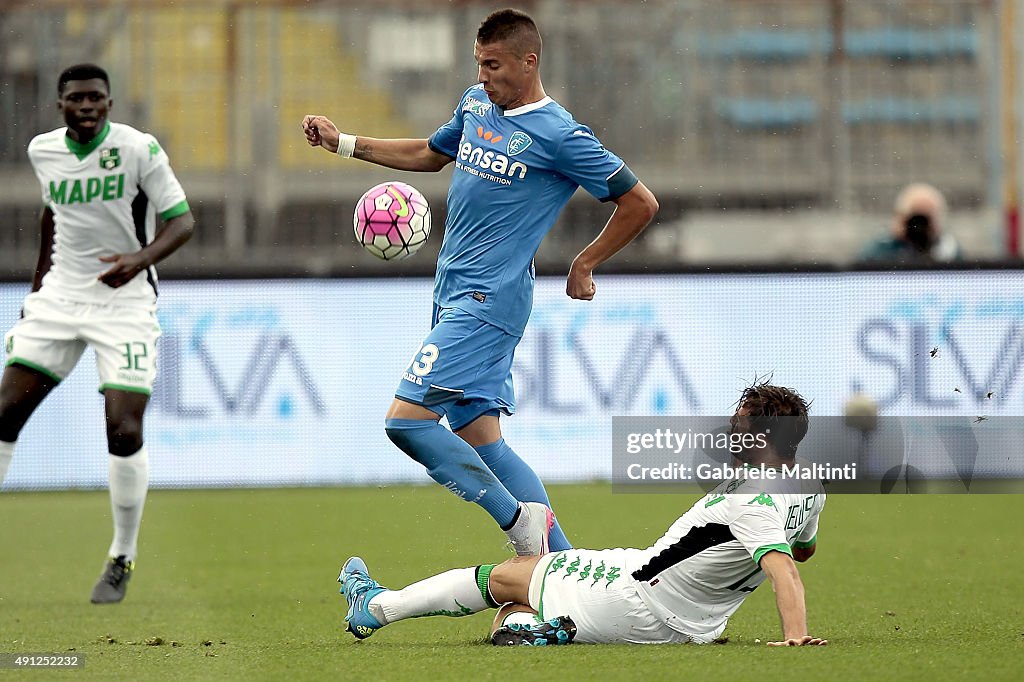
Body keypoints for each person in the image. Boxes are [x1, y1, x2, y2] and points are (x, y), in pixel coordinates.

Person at [302, 9, 658, 555]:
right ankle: (563, 573)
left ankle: (517, 523)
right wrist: (343, 143)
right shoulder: (475, 106)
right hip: (453, 295)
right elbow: (428, 152)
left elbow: (639, 202)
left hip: (489, 303)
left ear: (528, 61)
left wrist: (586, 262)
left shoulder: (560, 134)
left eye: (492, 65)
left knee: (407, 423)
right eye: (478, 63)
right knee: (483, 440)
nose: (483, 75)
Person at [337, 383, 829, 647]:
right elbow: (803, 550)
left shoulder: (751, 498)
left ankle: (377, 608)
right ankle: (535, 633)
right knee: (510, 618)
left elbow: (784, 567)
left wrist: (795, 637)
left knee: (506, 576)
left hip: (640, 597)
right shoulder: (808, 484)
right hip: (689, 617)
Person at [0, 64, 194, 603]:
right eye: (76, 99)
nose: (87, 106)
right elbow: (53, 216)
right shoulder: (43, 151)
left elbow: (182, 221)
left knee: (123, 427)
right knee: (5, 412)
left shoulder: (139, 150)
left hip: (124, 300)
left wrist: (140, 259)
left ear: (109, 103)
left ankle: (122, 556)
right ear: (60, 104)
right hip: (61, 298)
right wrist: (38, 291)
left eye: (96, 99)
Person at [858, 182, 962, 263]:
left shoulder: (948, 248)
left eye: (925, 219)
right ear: (901, 218)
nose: (920, 226)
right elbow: (863, 270)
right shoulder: (881, 248)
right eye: (915, 219)